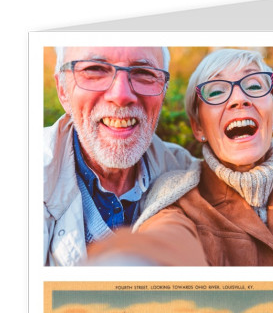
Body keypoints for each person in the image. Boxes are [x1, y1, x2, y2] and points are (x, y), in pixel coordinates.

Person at [87, 48, 273, 266]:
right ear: (198, 127)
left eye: (254, 86)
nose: (239, 99)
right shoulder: (177, 199)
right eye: (216, 91)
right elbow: (165, 241)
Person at [44, 46, 199, 266]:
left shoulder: (187, 174)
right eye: (95, 69)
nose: (121, 96)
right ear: (62, 90)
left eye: (144, 73)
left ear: (163, 91)